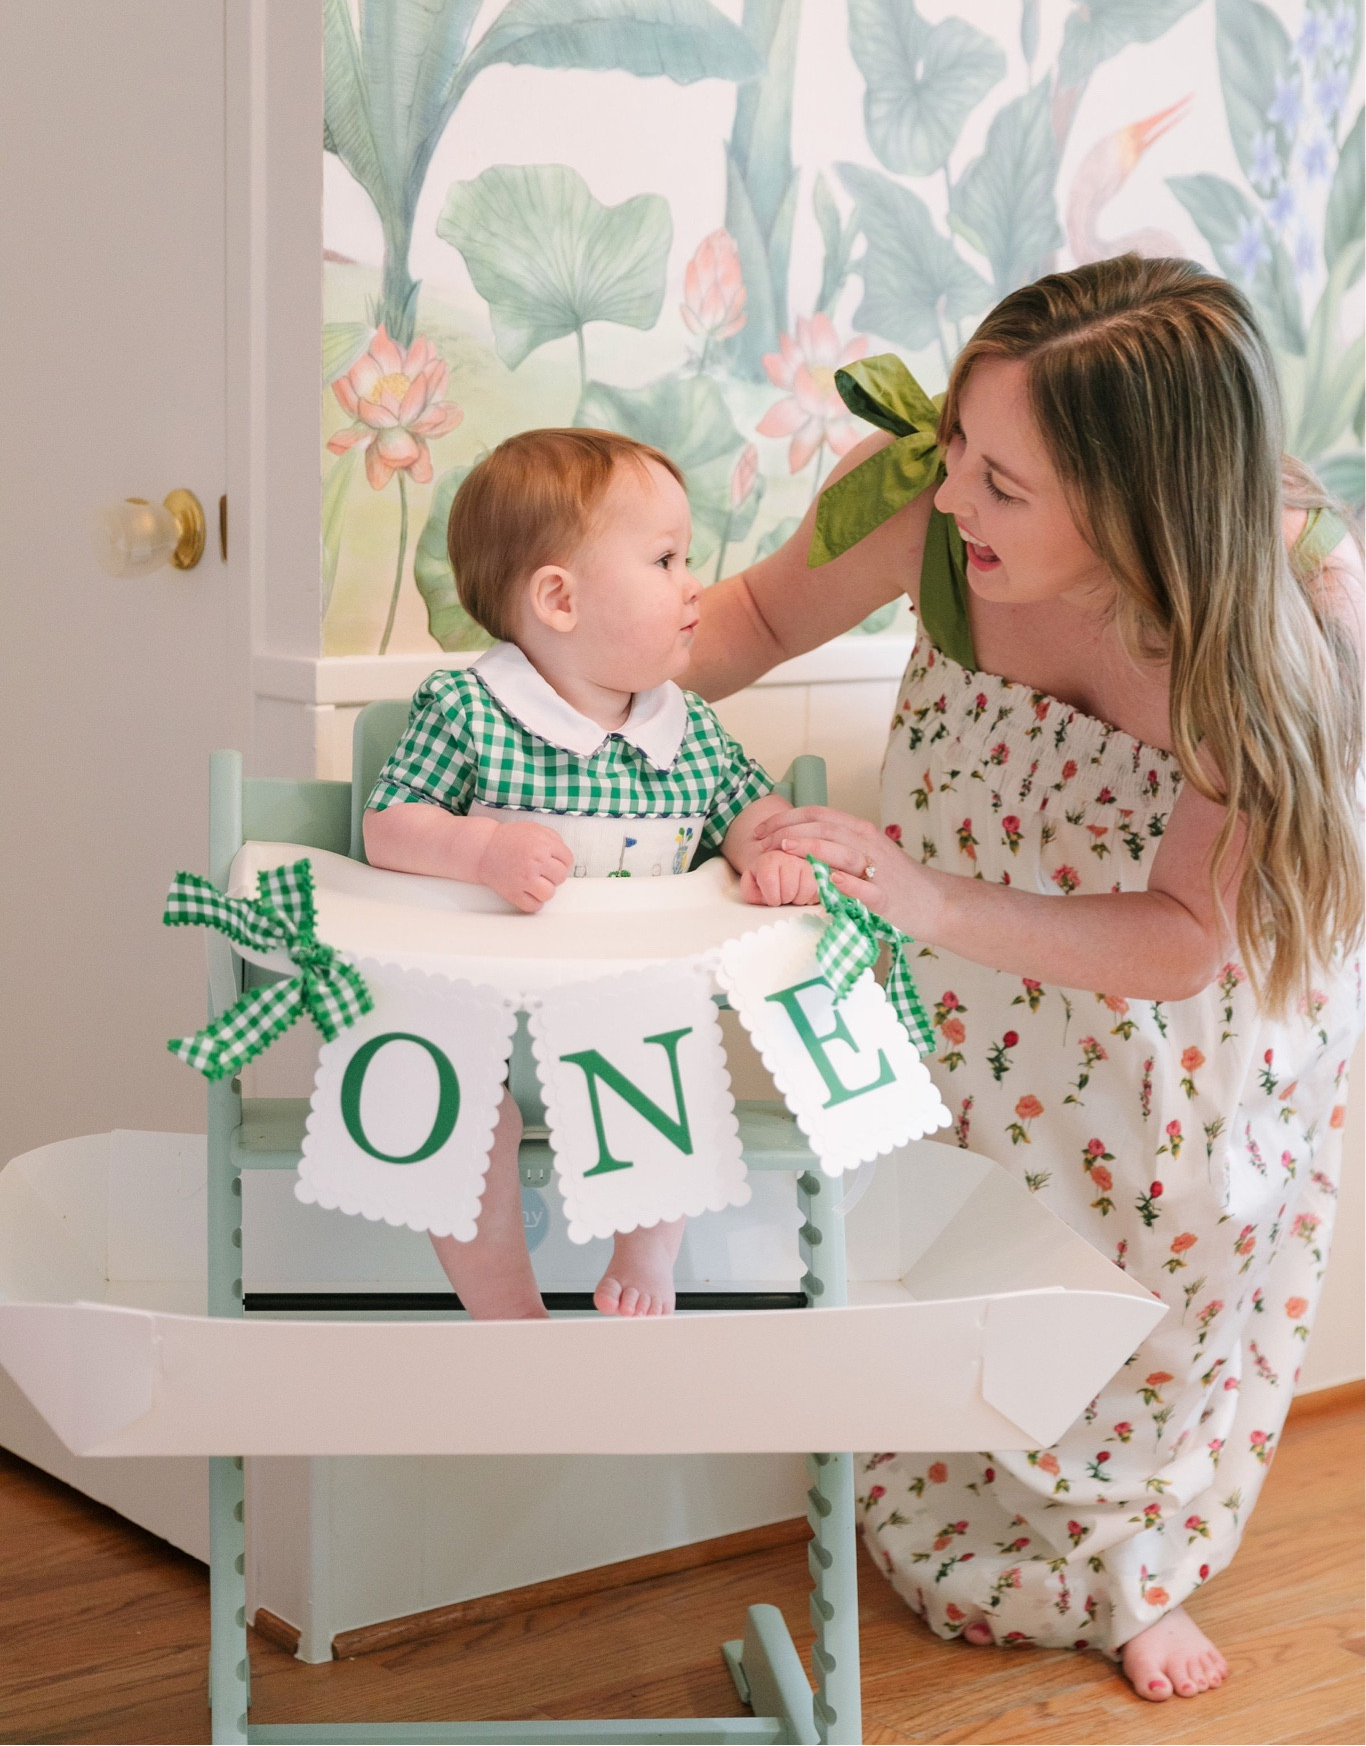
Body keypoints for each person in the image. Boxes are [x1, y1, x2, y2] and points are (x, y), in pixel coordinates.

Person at [686, 257, 1363, 1703]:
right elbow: (741, 622)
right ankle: (963, 1532)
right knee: (952, 1211)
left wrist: (928, 894)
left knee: (1155, 1249)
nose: (951, 500)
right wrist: (562, 705)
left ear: (1134, 514)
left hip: (1182, 993)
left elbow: (1185, 929)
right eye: (960, 451)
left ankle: (1126, 1565)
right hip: (964, 981)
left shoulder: (1260, 636)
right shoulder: (927, 498)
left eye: (1005, 484)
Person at [363, 427, 816, 1322]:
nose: (696, 586)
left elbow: (749, 812)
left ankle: (648, 1255)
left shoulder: (685, 730)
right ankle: (503, 1302)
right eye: (666, 559)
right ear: (560, 599)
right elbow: (388, 825)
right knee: (459, 1121)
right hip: (483, 1023)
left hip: (628, 1025)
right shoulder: (471, 711)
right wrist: (482, 851)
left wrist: (771, 854)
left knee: (676, 1077)